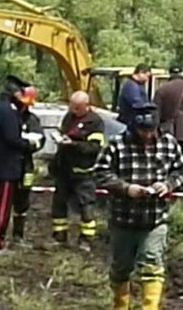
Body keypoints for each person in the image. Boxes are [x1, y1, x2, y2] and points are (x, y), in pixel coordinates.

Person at [94, 102, 183, 310]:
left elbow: (181, 170)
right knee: (121, 269)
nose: (146, 135)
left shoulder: (169, 144)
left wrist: (167, 184)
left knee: (152, 263)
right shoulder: (117, 144)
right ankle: (120, 305)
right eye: (141, 130)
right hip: (123, 218)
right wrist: (126, 188)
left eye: (150, 130)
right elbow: (100, 172)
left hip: (155, 218)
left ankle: (150, 307)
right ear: (133, 127)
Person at [0, 75, 43, 252]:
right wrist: (29, 143)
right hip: (7, 167)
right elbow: (12, 139)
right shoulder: (8, 113)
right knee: (2, 208)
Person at [49, 91, 105, 252]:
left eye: (77, 108)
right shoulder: (68, 117)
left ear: (87, 106)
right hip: (63, 169)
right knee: (58, 204)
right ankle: (59, 237)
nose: (73, 111)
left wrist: (73, 144)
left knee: (86, 207)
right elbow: (62, 131)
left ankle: (86, 240)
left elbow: (94, 147)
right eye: (71, 107)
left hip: (83, 172)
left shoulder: (95, 122)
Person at [15, 82, 45, 248]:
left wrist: (28, 144)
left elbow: (40, 140)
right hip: (10, 164)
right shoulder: (11, 117)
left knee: (22, 201)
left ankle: (18, 234)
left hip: (26, 166)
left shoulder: (32, 120)